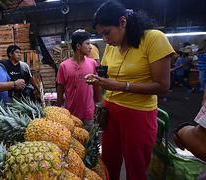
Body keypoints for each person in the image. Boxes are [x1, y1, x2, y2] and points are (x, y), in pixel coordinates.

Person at [85, 1, 175, 179]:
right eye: (101, 34)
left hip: (138, 114)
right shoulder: (112, 46)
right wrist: (98, 79)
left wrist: (122, 86)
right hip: (110, 110)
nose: (104, 40)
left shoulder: (153, 39)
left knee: (136, 165)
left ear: (123, 22)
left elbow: (163, 86)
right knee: (109, 162)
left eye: (107, 33)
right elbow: (108, 73)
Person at [56, 30, 101, 131]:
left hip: (88, 112)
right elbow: (60, 89)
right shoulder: (64, 66)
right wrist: (58, 109)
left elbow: (96, 85)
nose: (90, 47)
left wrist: (98, 103)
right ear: (78, 46)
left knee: (89, 141)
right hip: (71, 114)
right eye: (87, 43)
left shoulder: (93, 63)